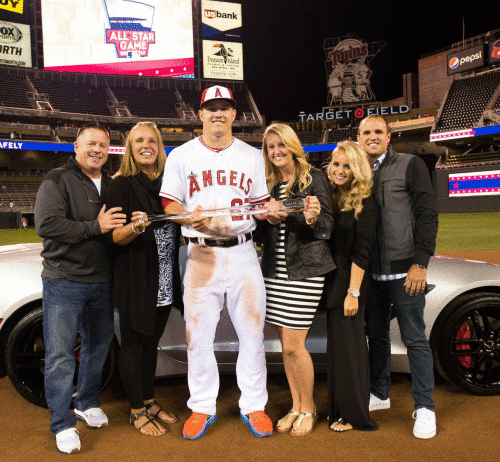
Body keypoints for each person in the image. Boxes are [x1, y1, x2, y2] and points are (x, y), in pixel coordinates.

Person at [160, 85, 274, 440]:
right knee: (198, 337)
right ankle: (202, 407)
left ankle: (254, 406)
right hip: (201, 255)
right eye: (211, 108)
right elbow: (169, 203)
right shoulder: (181, 155)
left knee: (252, 334)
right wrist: (184, 217)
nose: (218, 114)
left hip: (243, 253)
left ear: (234, 114)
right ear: (201, 114)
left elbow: (261, 203)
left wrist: (274, 211)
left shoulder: (252, 156)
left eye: (225, 108)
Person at [34, 122, 126, 454]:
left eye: (103, 145)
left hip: (102, 280)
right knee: (60, 355)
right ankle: (61, 423)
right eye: (90, 144)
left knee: (98, 346)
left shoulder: (112, 184)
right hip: (64, 280)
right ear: (76, 146)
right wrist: (94, 226)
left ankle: (86, 402)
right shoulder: (57, 179)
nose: (97, 149)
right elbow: (46, 224)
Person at [357, 115, 439, 439]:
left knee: (415, 338)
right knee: (375, 336)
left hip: (405, 271)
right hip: (370, 275)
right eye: (366, 132)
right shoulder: (356, 171)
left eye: (379, 131)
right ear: (359, 137)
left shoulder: (410, 165)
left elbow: (427, 214)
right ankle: (380, 393)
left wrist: (421, 262)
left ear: (388, 137)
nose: (372, 136)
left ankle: (425, 406)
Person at [103, 122, 182, 437]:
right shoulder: (120, 185)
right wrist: (135, 228)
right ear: (130, 148)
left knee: (151, 343)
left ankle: (149, 400)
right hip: (135, 278)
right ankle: (136, 410)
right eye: (139, 140)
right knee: (134, 345)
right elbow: (113, 238)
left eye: (152, 140)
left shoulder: (167, 184)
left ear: (160, 146)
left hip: (163, 279)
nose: (146, 145)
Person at [258, 123, 335, 436]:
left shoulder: (313, 178)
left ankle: (309, 408)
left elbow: (328, 224)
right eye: (270, 147)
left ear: (292, 146)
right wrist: (265, 218)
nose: (276, 151)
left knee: (294, 346)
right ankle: (295, 404)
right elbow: (262, 232)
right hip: (274, 273)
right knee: (284, 346)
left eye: (281, 145)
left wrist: (310, 217)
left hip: (304, 270)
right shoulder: (267, 184)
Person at [324, 141, 377, 433]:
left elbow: (362, 251)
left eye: (346, 165)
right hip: (332, 281)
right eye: (336, 164)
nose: (339, 170)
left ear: (357, 169)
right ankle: (338, 412)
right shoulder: (331, 196)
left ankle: (355, 416)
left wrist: (353, 292)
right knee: (337, 351)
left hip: (349, 284)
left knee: (350, 350)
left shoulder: (365, 200)